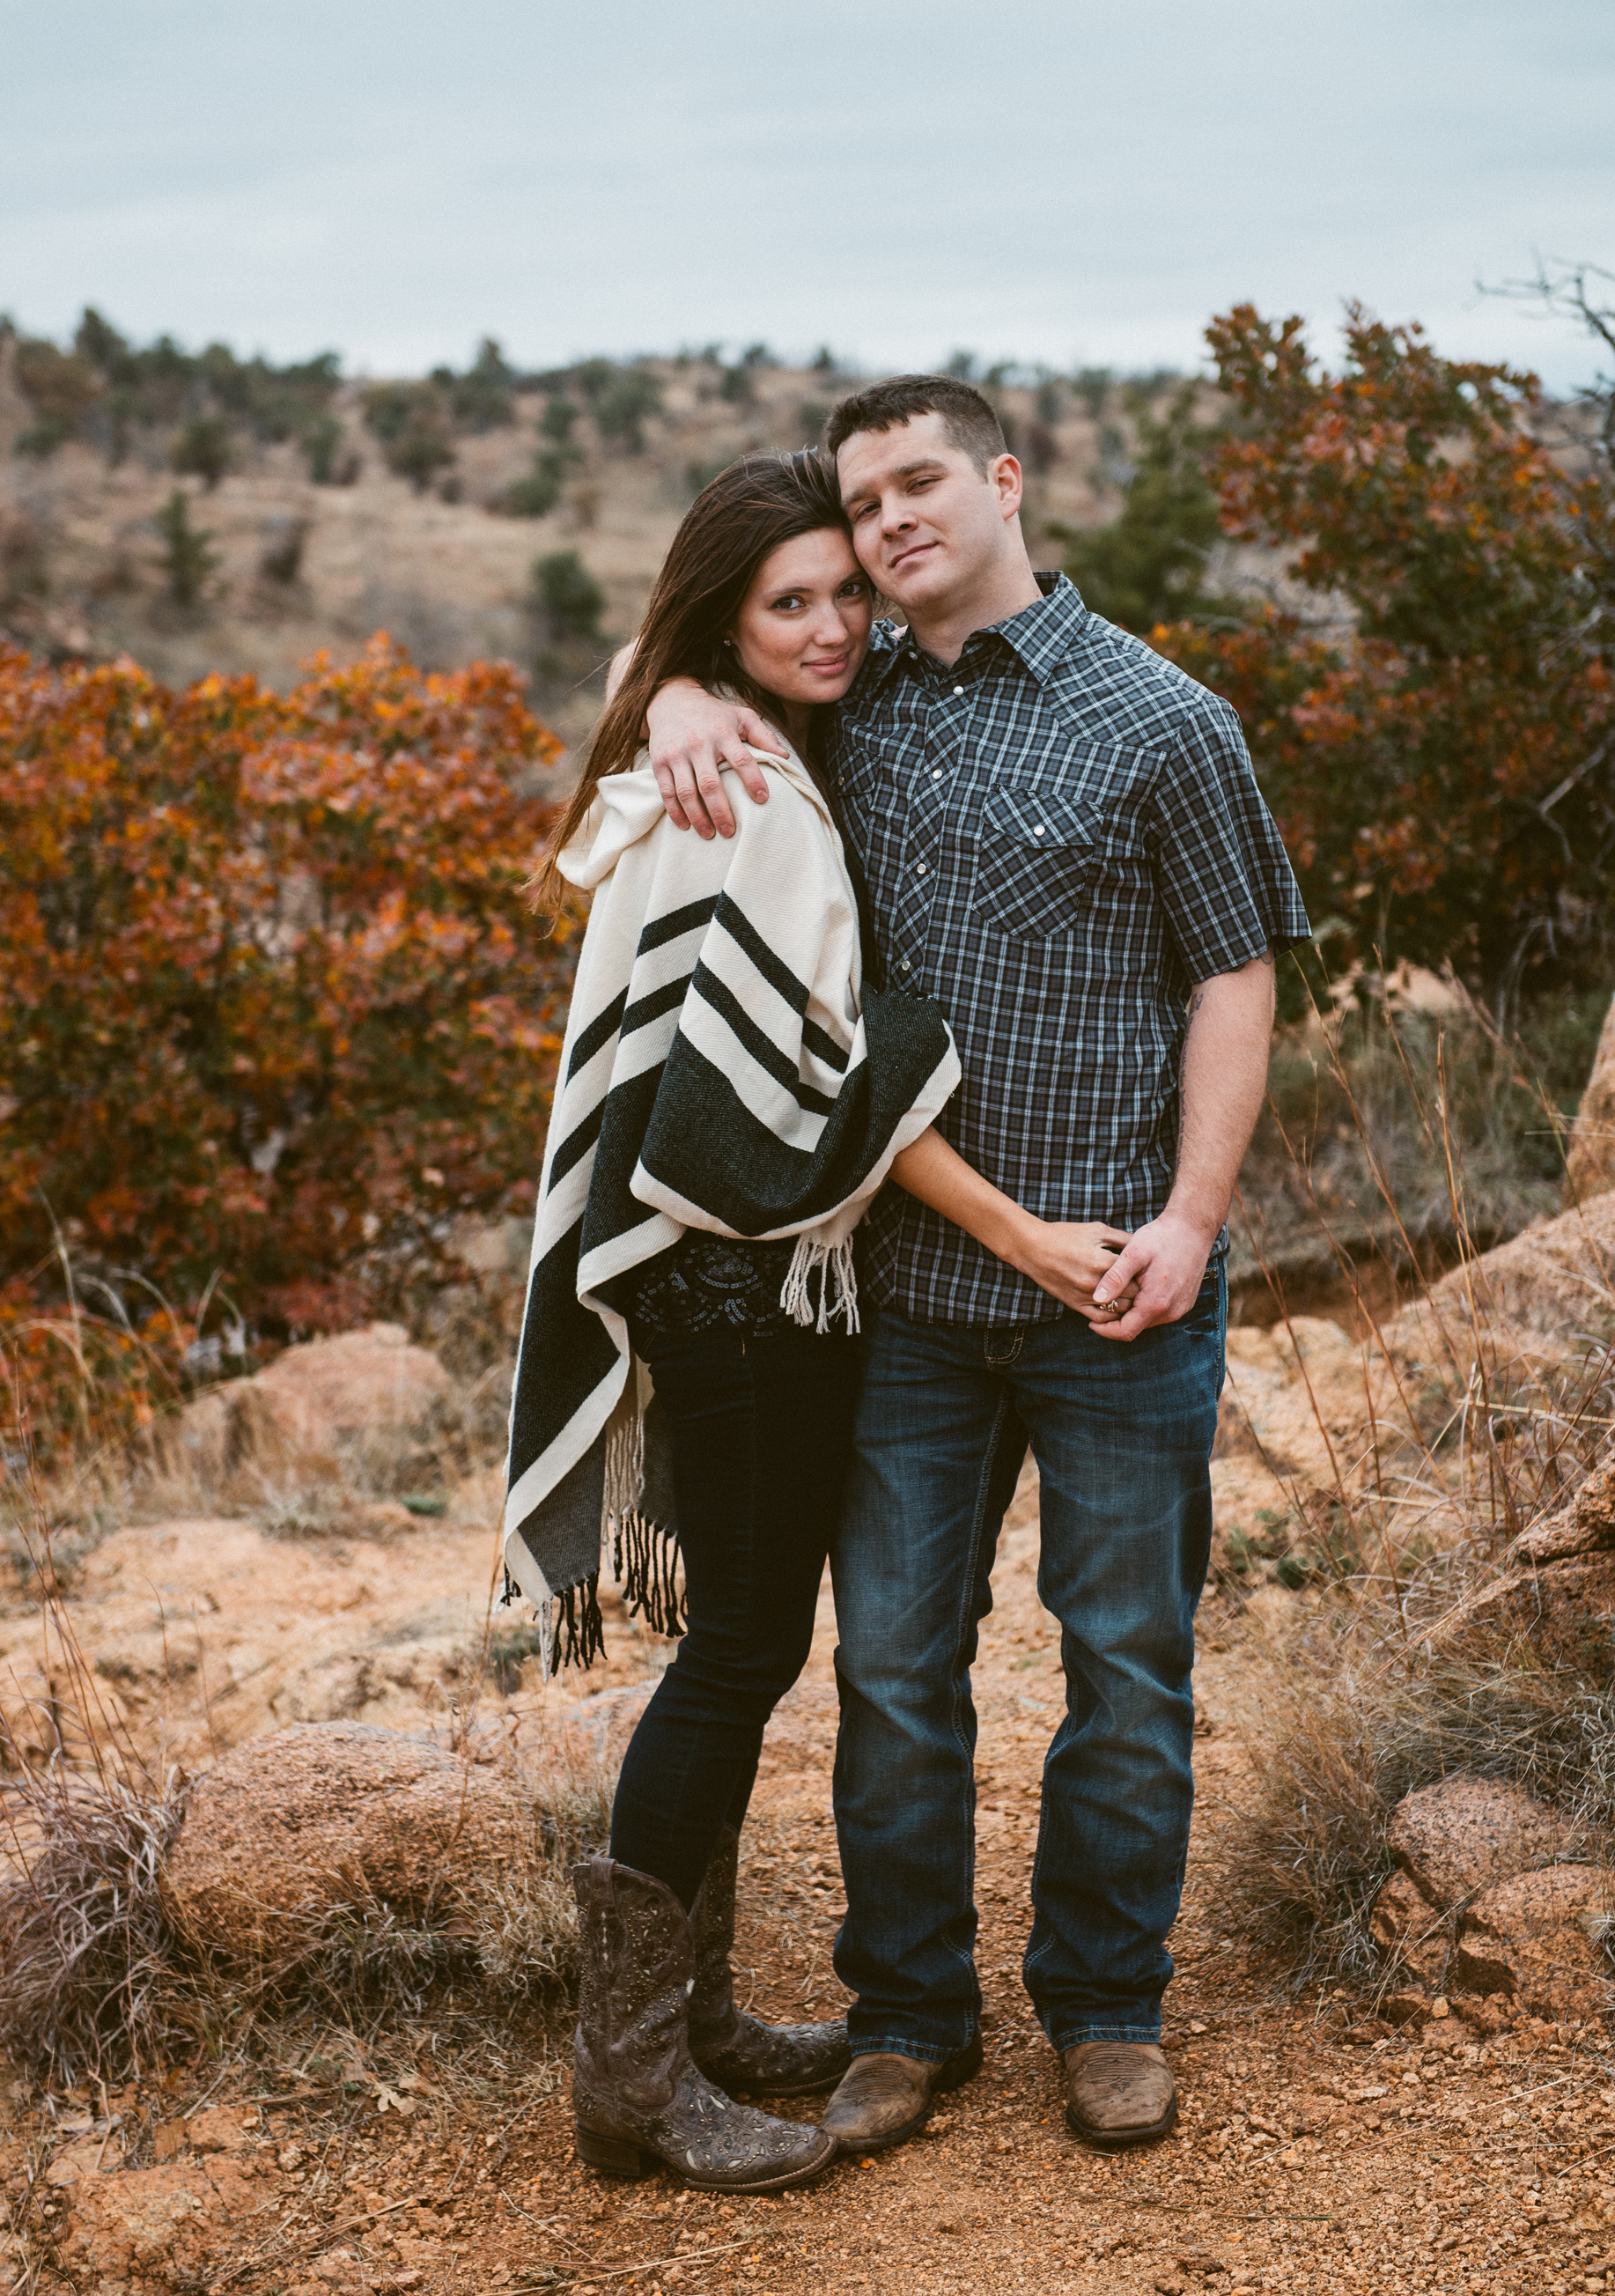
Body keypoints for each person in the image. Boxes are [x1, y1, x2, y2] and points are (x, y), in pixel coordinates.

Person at [643, 378, 1310, 2157]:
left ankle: (1102, 2006)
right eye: (861, 503)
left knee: (1126, 1663)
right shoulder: (847, 712)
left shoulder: (1163, 721)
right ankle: (905, 2013)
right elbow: (712, 691)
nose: (886, 523)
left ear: (1002, 481)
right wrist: (681, 697)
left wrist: (1186, 1218)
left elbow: (1235, 972)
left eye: (918, 481)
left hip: (1119, 1286)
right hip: (911, 1304)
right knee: (890, 1666)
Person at [505, 450, 1135, 2196]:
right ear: (720, 613)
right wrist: (1011, 1222)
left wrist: (691, 686)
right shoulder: (740, 796)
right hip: (739, 1281)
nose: (835, 624)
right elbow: (766, 1112)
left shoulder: (745, 750)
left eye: (843, 592)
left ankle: (686, 2024)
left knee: (741, 1642)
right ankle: (630, 2077)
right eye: (785, 603)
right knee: (739, 1656)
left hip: (723, 1277)